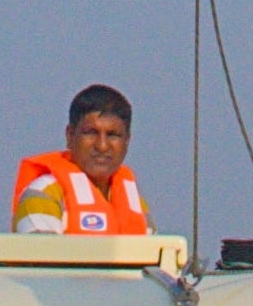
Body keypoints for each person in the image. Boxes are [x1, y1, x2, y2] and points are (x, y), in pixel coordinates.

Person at [11, 86, 151, 239]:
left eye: (113, 135)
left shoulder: (136, 204)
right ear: (70, 136)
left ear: (127, 141)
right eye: (91, 133)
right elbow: (39, 259)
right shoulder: (43, 194)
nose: (102, 146)